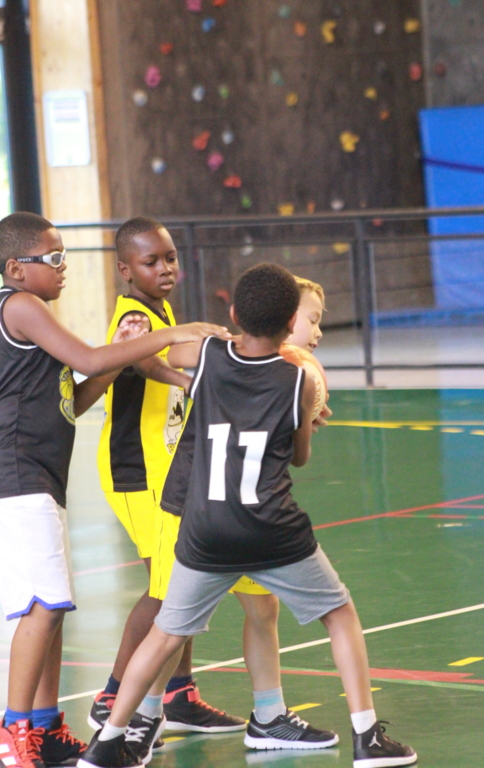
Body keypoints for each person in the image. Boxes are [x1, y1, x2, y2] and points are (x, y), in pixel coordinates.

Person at [78, 263, 417, 768]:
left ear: (234, 314)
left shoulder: (210, 356)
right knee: (340, 614)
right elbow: (299, 457)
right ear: (290, 324)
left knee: (167, 632)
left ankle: (107, 742)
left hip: (205, 528)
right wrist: (304, 418)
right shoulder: (299, 380)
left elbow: (163, 353)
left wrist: (173, 338)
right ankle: (367, 737)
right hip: (270, 530)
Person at [0, 212, 231, 768]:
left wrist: (113, 366)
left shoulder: (32, 312)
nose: (63, 268)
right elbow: (88, 358)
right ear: (16, 268)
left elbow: (75, 397)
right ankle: (12, 734)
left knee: (53, 608)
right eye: (53, 259)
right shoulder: (20, 306)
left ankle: (45, 727)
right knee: (41, 608)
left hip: (42, 479)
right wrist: (169, 335)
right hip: (19, 478)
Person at [90, 217, 245, 739]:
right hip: (135, 468)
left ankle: (177, 695)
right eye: (151, 261)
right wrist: (189, 377)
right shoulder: (133, 315)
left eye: (170, 258)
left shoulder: (160, 309)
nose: (165, 269)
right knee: (165, 586)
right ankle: (112, 697)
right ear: (125, 269)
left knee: (181, 579)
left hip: (165, 464)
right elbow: (143, 362)